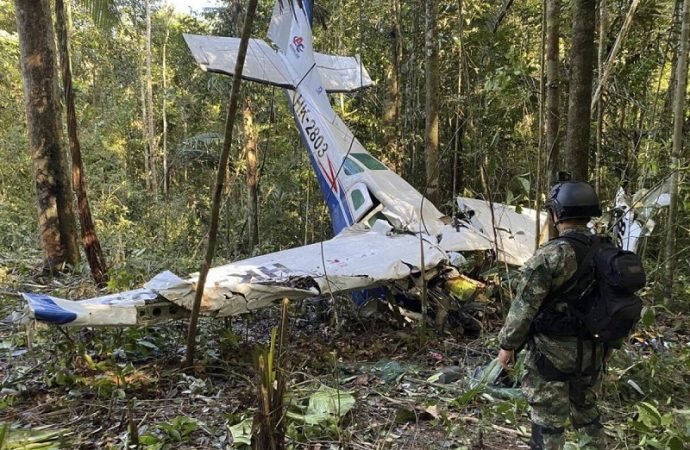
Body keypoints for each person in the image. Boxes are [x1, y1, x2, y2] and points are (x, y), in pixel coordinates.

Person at [497, 180, 607, 450]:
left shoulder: (552, 254)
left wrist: (507, 345)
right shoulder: (607, 251)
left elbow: (524, 307)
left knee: (548, 421)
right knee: (588, 416)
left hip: (552, 354)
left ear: (558, 214)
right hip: (593, 351)